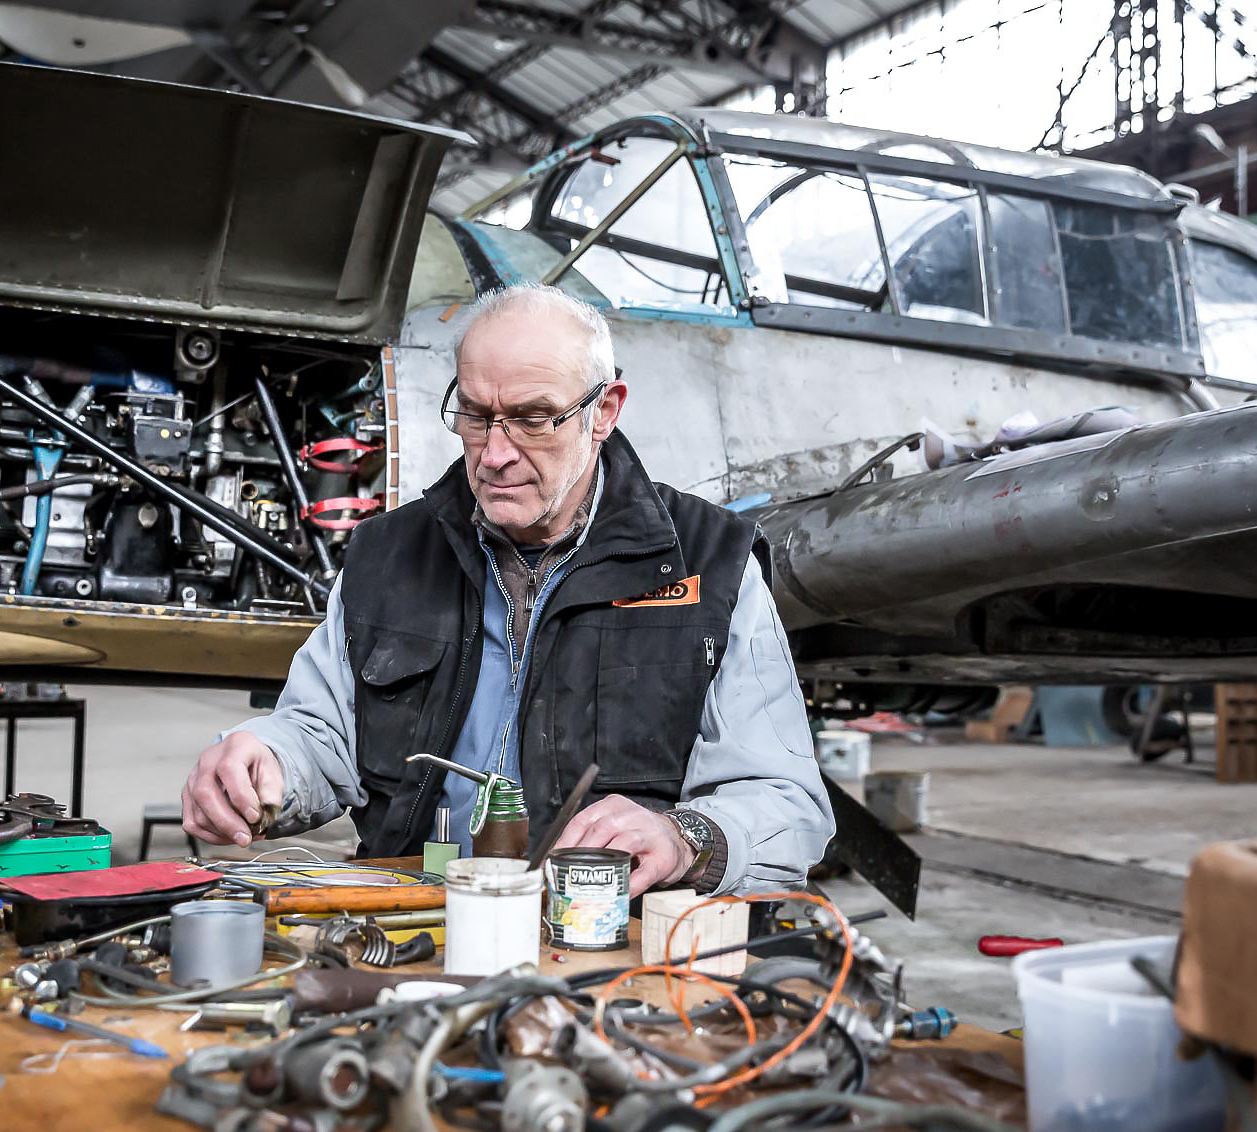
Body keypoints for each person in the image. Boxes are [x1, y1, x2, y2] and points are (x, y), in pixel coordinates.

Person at [182, 284, 832, 896]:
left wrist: (684, 837)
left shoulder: (709, 564)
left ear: (603, 411)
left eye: (531, 418)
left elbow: (786, 803)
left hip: (613, 951)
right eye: (474, 414)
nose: (494, 454)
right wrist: (263, 764)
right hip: (415, 933)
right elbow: (320, 738)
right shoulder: (386, 556)